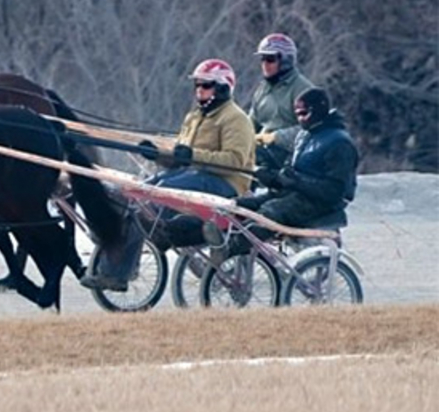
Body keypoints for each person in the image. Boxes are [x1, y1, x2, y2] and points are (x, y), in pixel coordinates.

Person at [81, 59, 256, 292]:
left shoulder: (236, 118)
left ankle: (162, 231)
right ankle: (115, 273)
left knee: (156, 194)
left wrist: (193, 155)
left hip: (225, 183)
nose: (199, 91)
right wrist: (157, 154)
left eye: (205, 86)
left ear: (223, 88)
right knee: (137, 195)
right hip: (193, 173)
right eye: (197, 86)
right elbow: (180, 155)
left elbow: (235, 161)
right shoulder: (194, 116)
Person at [204, 87, 358, 264]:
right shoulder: (304, 136)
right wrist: (273, 178)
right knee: (242, 205)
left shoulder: (339, 142)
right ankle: (219, 238)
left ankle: (230, 249)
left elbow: (335, 191)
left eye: (304, 114)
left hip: (321, 204)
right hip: (295, 194)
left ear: (319, 110)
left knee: (270, 212)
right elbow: (289, 171)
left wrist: (296, 182)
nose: (300, 119)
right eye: (297, 114)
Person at [248, 33, 315, 172]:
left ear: (285, 60)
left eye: (270, 59)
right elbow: (250, 123)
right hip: (261, 151)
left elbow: (312, 130)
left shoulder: (304, 90)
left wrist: (275, 137)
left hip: (290, 157)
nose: (265, 64)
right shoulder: (262, 89)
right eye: (262, 59)